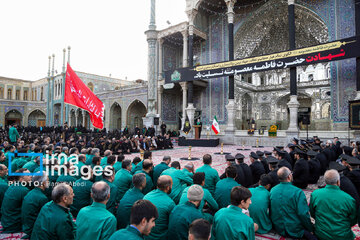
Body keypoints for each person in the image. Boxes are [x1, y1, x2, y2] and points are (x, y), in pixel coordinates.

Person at [310, 170, 357, 240]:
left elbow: (313, 214)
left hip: (321, 234)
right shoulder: (349, 199)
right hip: (342, 236)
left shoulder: (315, 194)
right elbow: (353, 220)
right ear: (338, 182)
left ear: (325, 181)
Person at [270, 167, 314, 239]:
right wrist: (310, 228)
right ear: (289, 177)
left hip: (279, 227)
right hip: (295, 229)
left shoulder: (273, 190)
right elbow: (303, 213)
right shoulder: (298, 192)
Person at [143, 175, 175, 240]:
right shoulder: (170, 203)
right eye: (171, 185)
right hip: (161, 237)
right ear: (168, 187)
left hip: (146, 236)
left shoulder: (146, 197)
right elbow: (172, 225)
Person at [1, 168, 31, 233]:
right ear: (21, 179)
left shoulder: (12, 186)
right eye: (28, 175)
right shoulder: (23, 190)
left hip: (6, 222)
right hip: (14, 225)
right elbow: (28, 211)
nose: (31, 176)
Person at [21, 172, 49, 239]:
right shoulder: (42, 198)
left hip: (26, 227)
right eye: (47, 180)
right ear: (43, 183)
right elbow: (46, 218)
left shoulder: (30, 193)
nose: (49, 182)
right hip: (34, 230)